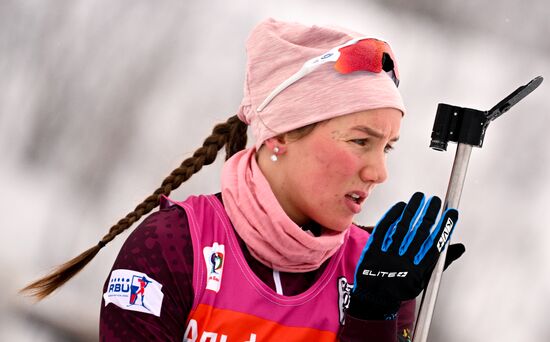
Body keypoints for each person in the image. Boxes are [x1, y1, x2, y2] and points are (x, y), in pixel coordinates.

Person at [22, 18, 464, 341]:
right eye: (360, 141)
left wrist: (374, 317)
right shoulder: (175, 247)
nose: (379, 172)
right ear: (282, 134)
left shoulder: (373, 274)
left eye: (386, 148)